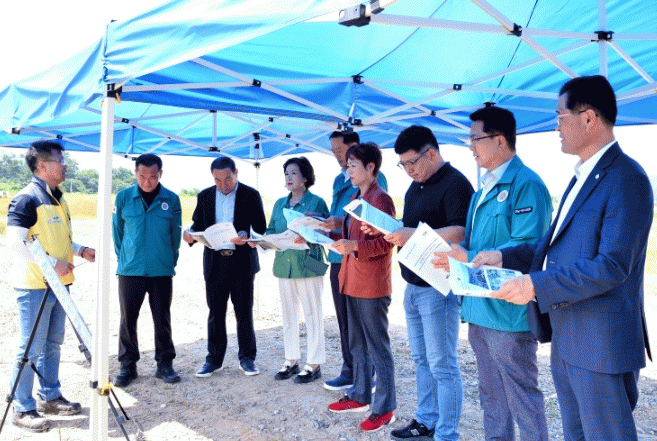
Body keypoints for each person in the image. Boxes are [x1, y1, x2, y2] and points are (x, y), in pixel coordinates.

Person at [475, 75, 653, 441]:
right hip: (569, 338)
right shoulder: (580, 177)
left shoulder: (626, 178)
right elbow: (554, 247)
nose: (555, 126)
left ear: (588, 118)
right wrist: (503, 256)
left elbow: (612, 266)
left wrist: (535, 285)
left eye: (560, 116)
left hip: (601, 345)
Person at [433, 106, 552, 441]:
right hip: (478, 311)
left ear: (500, 140)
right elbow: (473, 243)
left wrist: (468, 256)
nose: (470, 146)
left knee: (522, 398)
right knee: (491, 397)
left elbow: (529, 248)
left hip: (509, 315)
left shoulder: (527, 185)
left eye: (475, 138)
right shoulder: (481, 190)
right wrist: (453, 256)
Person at [382, 126, 474, 441]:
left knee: (442, 365)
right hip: (414, 285)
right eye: (403, 165)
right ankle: (425, 420)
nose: (408, 170)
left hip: (439, 287)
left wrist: (412, 235)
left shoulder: (456, 183)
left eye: (411, 162)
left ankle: (446, 433)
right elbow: (409, 227)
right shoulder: (414, 188)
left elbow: (461, 231)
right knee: (421, 360)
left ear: (431, 153)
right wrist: (391, 229)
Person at [6, 140, 95, 432]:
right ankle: (22, 408)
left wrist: (80, 250)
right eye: (60, 160)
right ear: (42, 166)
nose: (65, 165)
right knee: (31, 347)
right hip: (35, 286)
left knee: (53, 344)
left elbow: (56, 239)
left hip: (59, 285)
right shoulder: (26, 199)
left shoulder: (57, 197)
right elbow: (14, 243)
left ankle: (50, 396)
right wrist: (51, 264)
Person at [325, 142, 397, 433]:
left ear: (370, 167)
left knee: (378, 347)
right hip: (351, 279)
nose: (349, 170)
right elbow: (350, 235)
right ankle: (359, 395)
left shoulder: (382, 200)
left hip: (371, 284)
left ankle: (385, 408)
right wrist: (326, 232)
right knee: (357, 344)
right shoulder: (356, 196)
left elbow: (387, 242)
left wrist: (354, 246)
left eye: (354, 165)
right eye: (348, 165)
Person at [183, 156, 267, 377]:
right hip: (215, 262)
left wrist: (246, 234)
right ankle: (214, 360)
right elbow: (198, 225)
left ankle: (247, 358)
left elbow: (261, 227)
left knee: (244, 312)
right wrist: (190, 235)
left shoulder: (251, 194)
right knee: (216, 312)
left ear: (236, 173)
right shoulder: (205, 196)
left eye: (228, 179)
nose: (223, 184)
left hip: (242, 262)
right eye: (218, 180)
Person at [112, 154, 182, 387]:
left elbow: (175, 236)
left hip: (161, 269)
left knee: (162, 318)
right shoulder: (123, 198)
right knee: (127, 319)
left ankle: (165, 364)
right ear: (136, 173)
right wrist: (126, 257)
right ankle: (128, 366)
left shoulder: (171, 199)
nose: (147, 181)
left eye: (152, 176)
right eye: (142, 176)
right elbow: (117, 233)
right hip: (130, 270)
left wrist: (169, 261)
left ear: (160, 174)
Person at [263, 157, 329, 383]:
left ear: (305, 177)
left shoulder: (317, 202)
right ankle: (291, 360)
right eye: (286, 173)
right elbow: (272, 229)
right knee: (288, 315)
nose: (289, 177)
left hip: (309, 265)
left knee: (312, 314)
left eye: (293, 173)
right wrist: (263, 239)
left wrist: (309, 235)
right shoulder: (279, 204)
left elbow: (325, 232)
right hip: (284, 266)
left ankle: (314, 363)